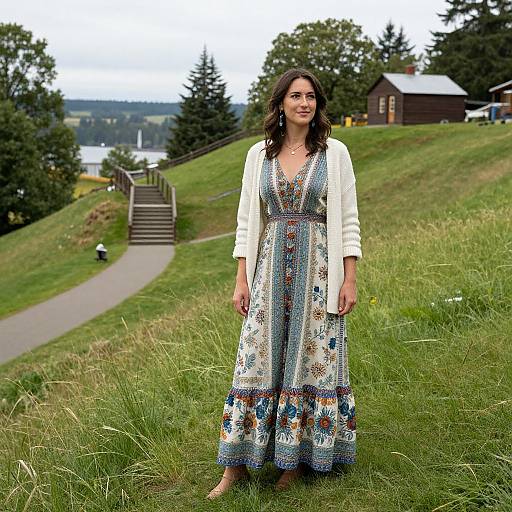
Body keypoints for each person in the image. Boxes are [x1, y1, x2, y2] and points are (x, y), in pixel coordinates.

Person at [207, 68, 362, 500]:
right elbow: (245, 221)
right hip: (268, 272)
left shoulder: (335, 153)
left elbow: (348, 219)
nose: (304, 103)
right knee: (254, 361)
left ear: (318, 105)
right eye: (295, 96)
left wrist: (349, 277)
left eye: (311, 96)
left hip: (318, 273)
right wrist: (242, 277)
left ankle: (296, 460)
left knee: (310, 361)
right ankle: (235, 465)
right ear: (280, 104)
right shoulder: (259, 155)